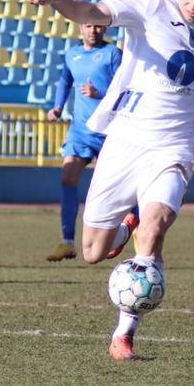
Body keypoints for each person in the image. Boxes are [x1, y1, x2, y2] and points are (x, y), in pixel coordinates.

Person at [11, 0, 194, 362]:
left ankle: (123, 335)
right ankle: (124, 224)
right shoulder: (149, 6)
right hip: (125, 141)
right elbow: (92, 11)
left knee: (153, 230)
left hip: (172, 147)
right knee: (93, 251)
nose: (193, 6)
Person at [45, 22, 123, 262]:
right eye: (89, 26)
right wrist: (57, 106)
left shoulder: (113, 54)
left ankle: (122, 237)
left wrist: (99, 93)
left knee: (117, 189)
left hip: (110, 130)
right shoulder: (72, 54)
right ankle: (67, 242)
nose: (94, 30)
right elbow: (64, 80)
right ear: (81, 27)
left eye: (99, 26)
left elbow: (125, 88)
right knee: (67, 178)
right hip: (80, 130)